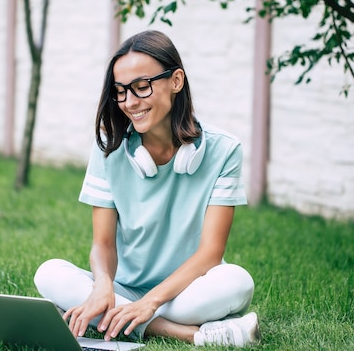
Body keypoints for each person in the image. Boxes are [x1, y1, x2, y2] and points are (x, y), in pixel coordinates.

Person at [34, 30, 260, 347]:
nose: (129, 102)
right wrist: (101, 285)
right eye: (120, 92)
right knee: (48, 272)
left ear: (176, 81)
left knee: (237, 282)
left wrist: (150, 303)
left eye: (142, 87)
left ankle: (111, 317)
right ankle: (190, 333)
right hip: (124, 290)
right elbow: (103, 245)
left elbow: (211, 253)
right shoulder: (108, 150)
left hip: (187, 291)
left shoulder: (225, 151)